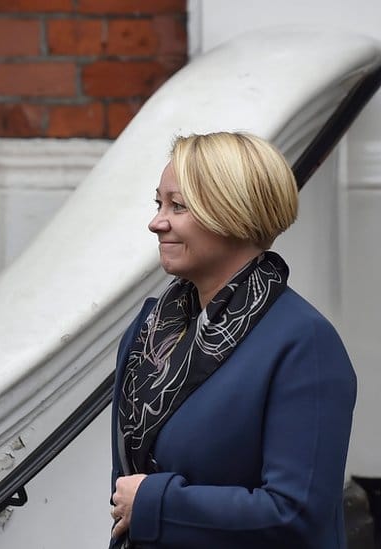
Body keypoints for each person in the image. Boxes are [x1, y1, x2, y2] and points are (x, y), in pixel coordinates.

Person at [108, 131, 357, 548]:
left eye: (178, 206)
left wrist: (155, 503)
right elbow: (125, 490)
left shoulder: (303, 342)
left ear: (232, 213)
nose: (156, 222)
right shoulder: (150, 330)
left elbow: (296, 511)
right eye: (158, 204)